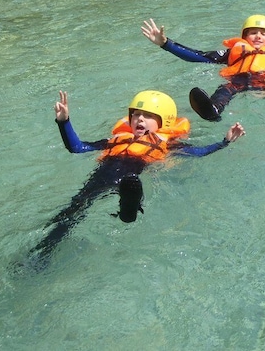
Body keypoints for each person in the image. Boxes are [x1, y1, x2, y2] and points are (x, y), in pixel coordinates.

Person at [29, 90, 245, 269]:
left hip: (131, 180)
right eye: (136, 115)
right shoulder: (115, 140)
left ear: (164, 123)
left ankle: (129, 209)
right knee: (71, 211)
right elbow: (77, 148)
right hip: (100, 178)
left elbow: (198, 152)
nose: (140, 119)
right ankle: (43, 251)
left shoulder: (167, 145)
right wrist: (64, 121)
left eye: (148, 116)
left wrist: (223, 142)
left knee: (131, 184)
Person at [142, 0, 265, 121]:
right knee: (224, 90)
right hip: (238, 81)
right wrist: (166, 43)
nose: (258, 36)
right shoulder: (231, 53)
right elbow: (198, 56)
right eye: (252, 33)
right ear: (244, 37)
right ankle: (213, 110)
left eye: (263, 34)